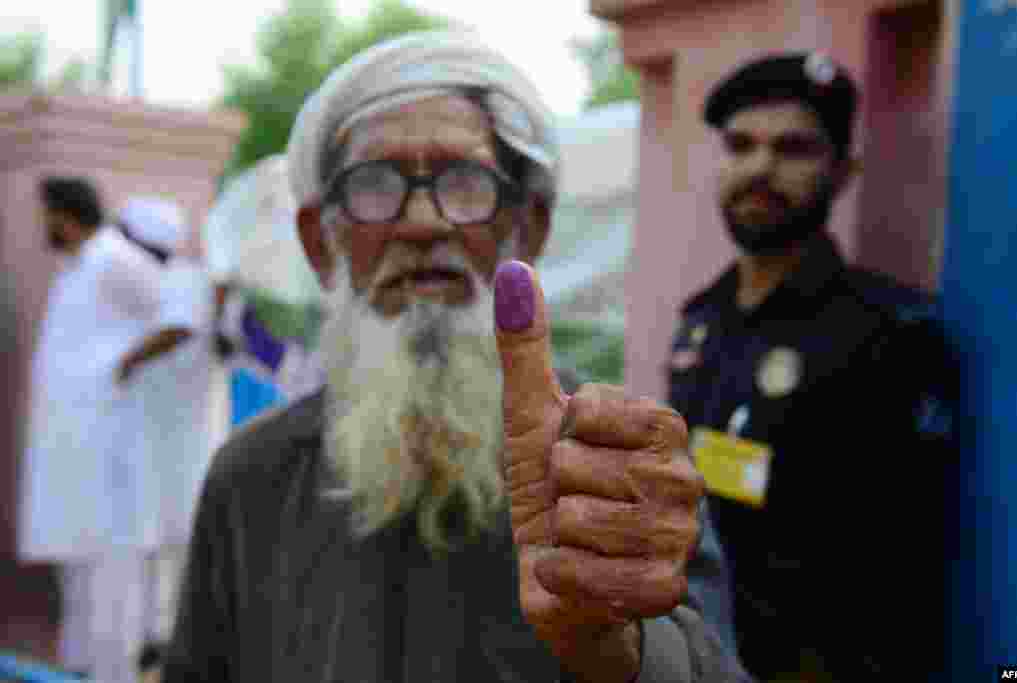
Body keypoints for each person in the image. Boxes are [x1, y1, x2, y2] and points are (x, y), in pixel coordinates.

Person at [163, 30, 750, 683]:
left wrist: (622, 652)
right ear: (320, 240)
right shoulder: (250, 479)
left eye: (465, 181)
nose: (422, 222)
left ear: (529, 225)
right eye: (376, 183)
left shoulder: (610, 466)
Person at [666, 53, 958, 681]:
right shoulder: (698, 321)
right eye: (740, 145)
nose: (760, 168)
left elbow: (904, 568)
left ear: (843, 171)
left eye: (792, 148)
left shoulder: (888, 333)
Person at [19, 178, 165, 683]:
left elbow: (173, 311)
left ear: (64, 214)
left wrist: (125, 365)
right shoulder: (76, 266)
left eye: (45, 214)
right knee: (78, 559)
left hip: (109, 444)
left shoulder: (115, 258)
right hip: (73, 444)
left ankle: (115, 673)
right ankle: (79, 668)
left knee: (110, 566)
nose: (42, 225)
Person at [115, 197, 229, 669]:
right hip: (160, 427)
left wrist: (126, 362)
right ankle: (152, 636)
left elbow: (181, 329)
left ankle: (167, 638)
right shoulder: (160, 281)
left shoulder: (185, 278)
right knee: (157, 535)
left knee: (178, 534)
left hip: (182, 427)